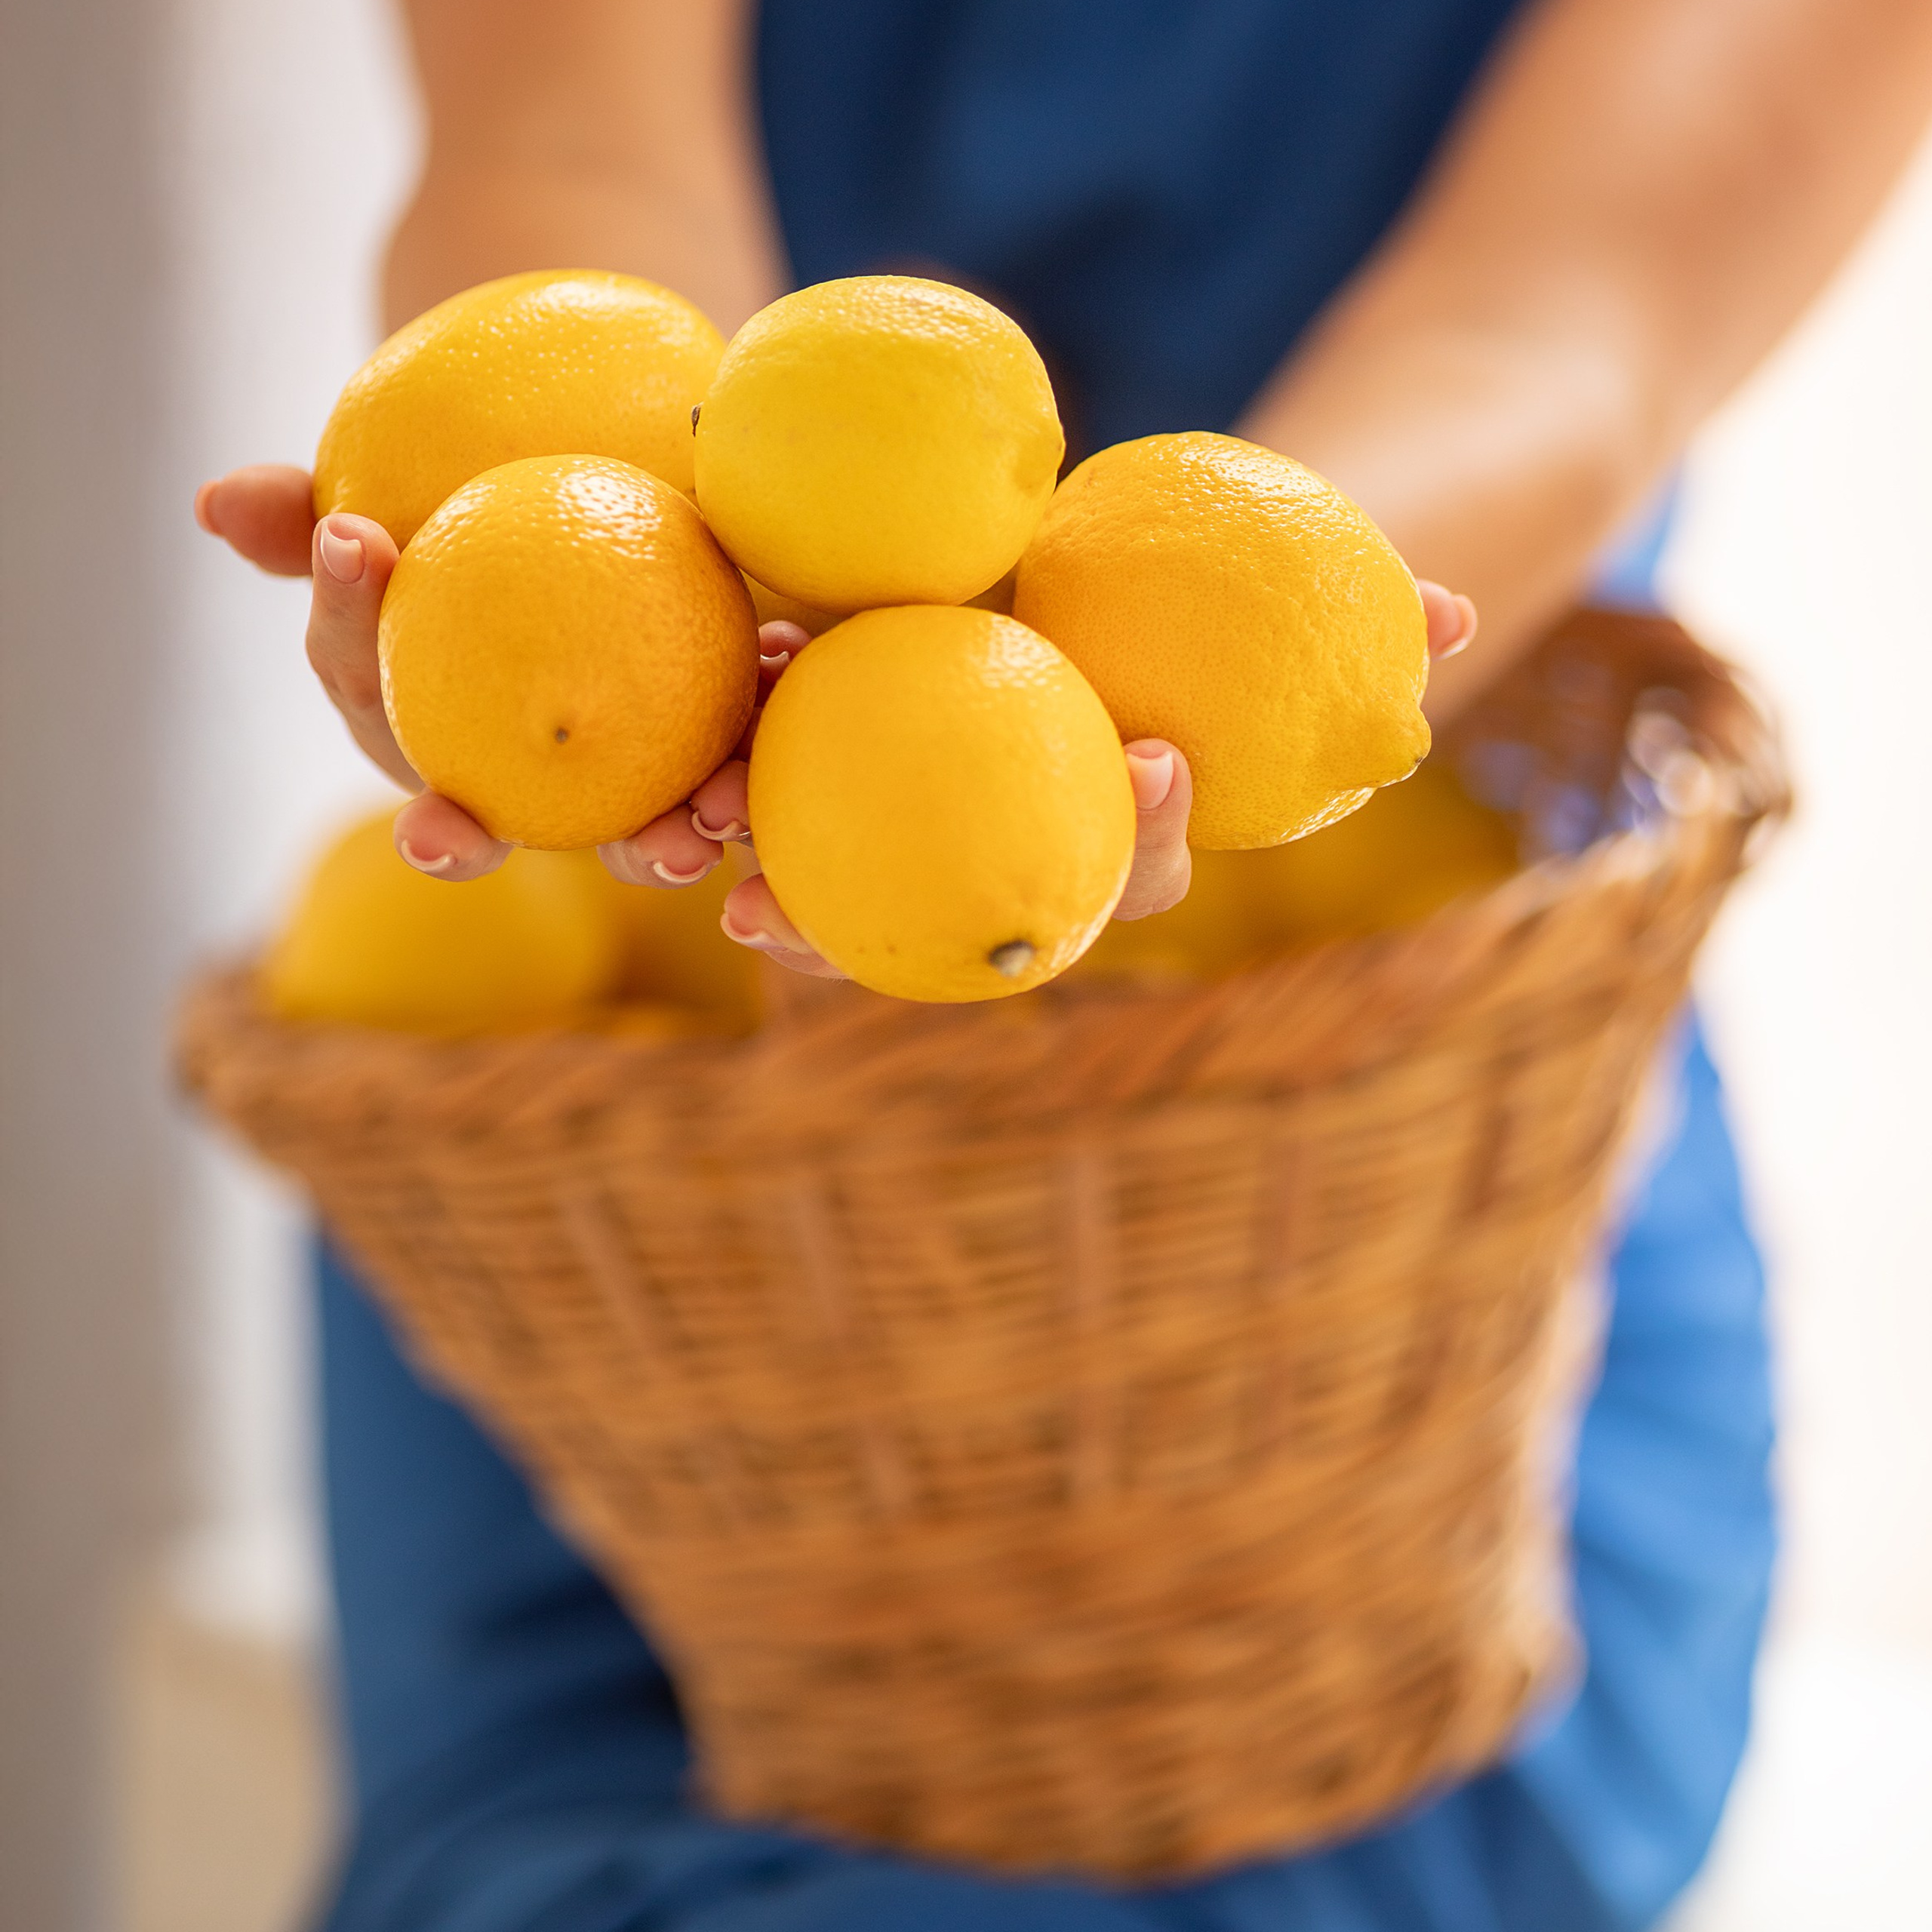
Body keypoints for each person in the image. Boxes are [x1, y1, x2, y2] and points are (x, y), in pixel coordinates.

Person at [196, 3, 1932, 1925]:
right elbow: (569, 169)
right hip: (646, 1137)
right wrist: (642, 602)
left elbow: (1558, 337)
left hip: (1389, 1183)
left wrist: (1088, 695)